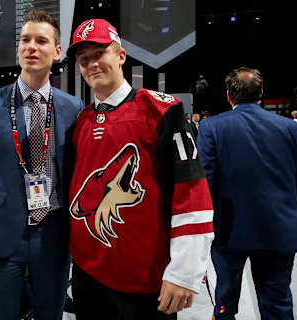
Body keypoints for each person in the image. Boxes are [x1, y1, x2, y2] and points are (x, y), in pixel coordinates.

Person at [65, 19, 214, 319]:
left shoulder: (161, 110)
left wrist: (184, 272)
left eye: (99, 54)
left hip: (144, 281)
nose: (91, 64)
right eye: (84, 59)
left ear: (120, 56)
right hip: (87, 277)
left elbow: (192, 192)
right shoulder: (80, 122)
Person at [0, 10, 83, 320]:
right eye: (25, 40)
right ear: (17, 48)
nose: (31, 46)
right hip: (2, 241)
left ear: (57, 52)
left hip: (54, 238)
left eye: (41, 41)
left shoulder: (72, 108)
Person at [197, 67, 297, 320]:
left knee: (225, 302)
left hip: (228, 229)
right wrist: (293, 210)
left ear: (229, 96)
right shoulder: (287, 127)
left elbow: (206, 181)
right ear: (261, 92)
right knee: (277, 304)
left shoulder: (210, 127)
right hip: (278, 227)